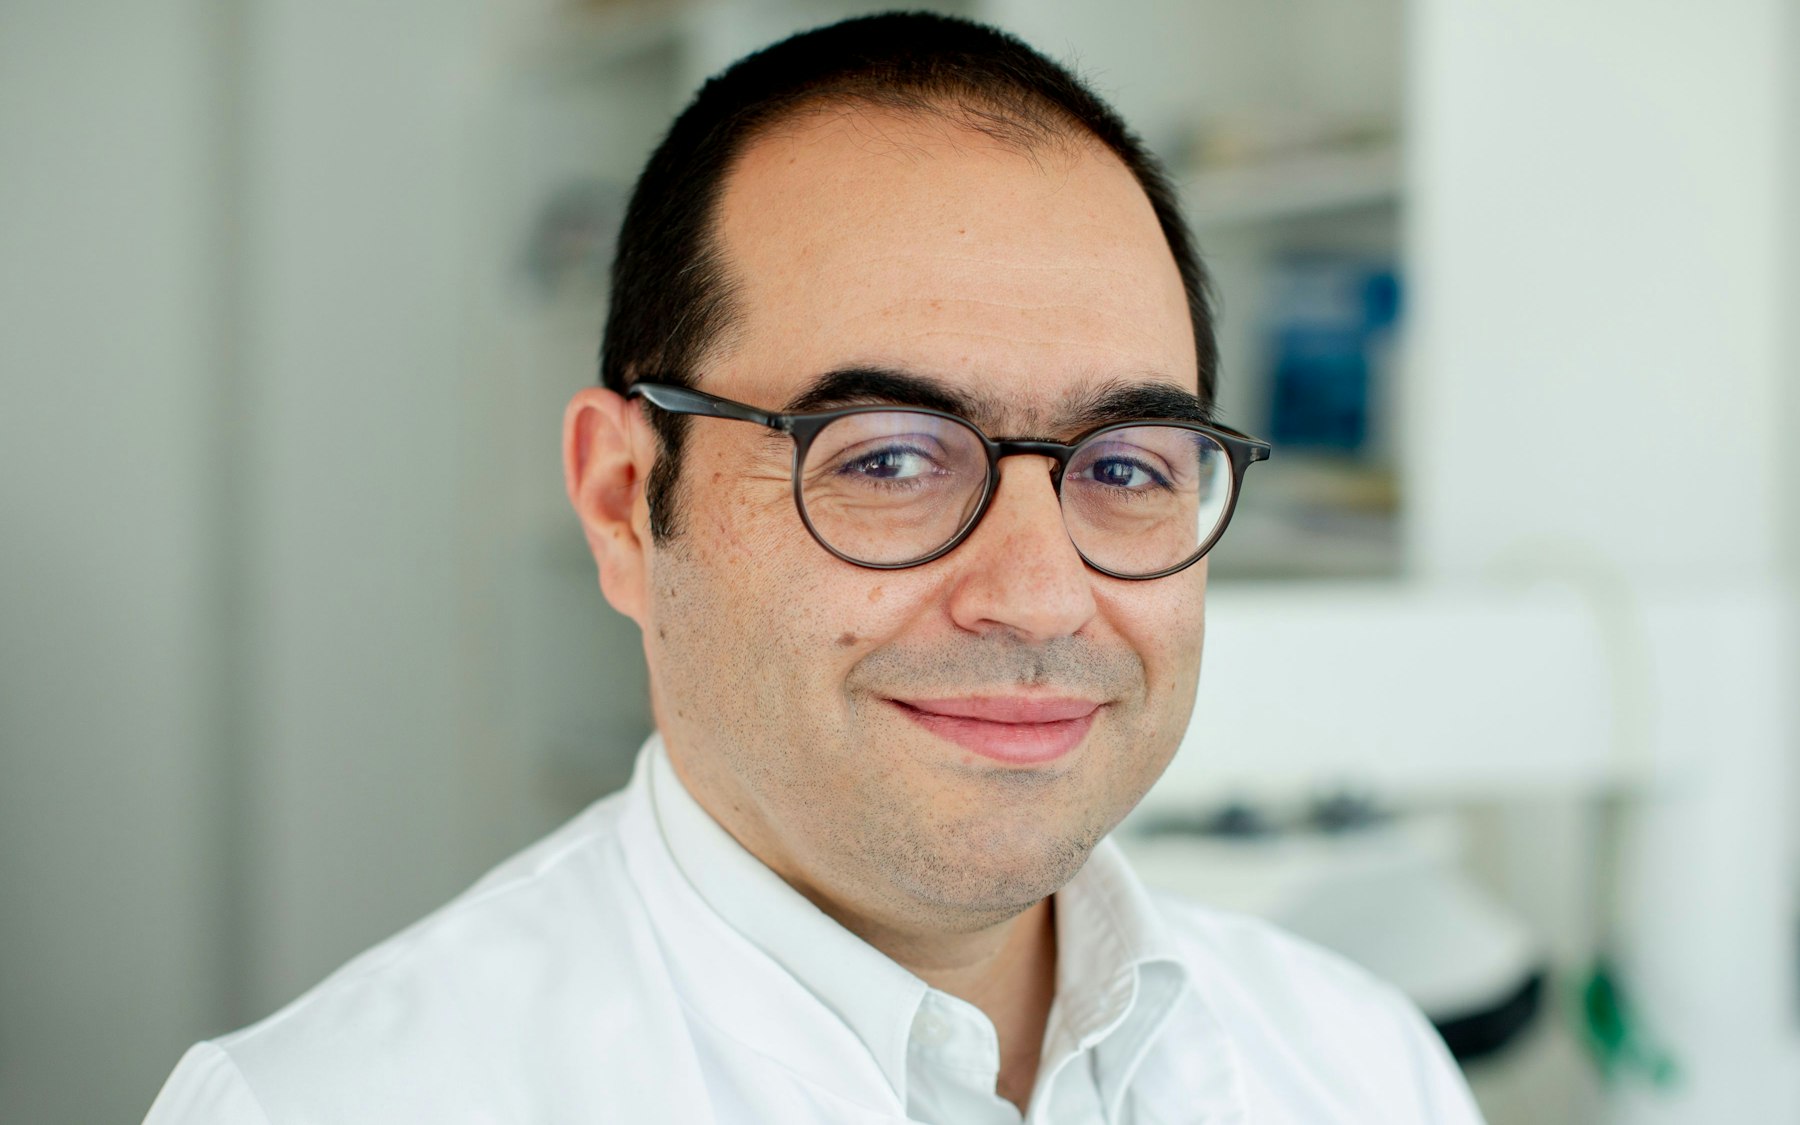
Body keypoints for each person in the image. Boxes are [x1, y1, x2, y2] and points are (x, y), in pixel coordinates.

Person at [145, 13, 1484, 1124]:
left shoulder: (1367, 1069)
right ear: (624, 504)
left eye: (1126, 466)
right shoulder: (326, 1105)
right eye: (890, 458)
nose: (1035, 593)